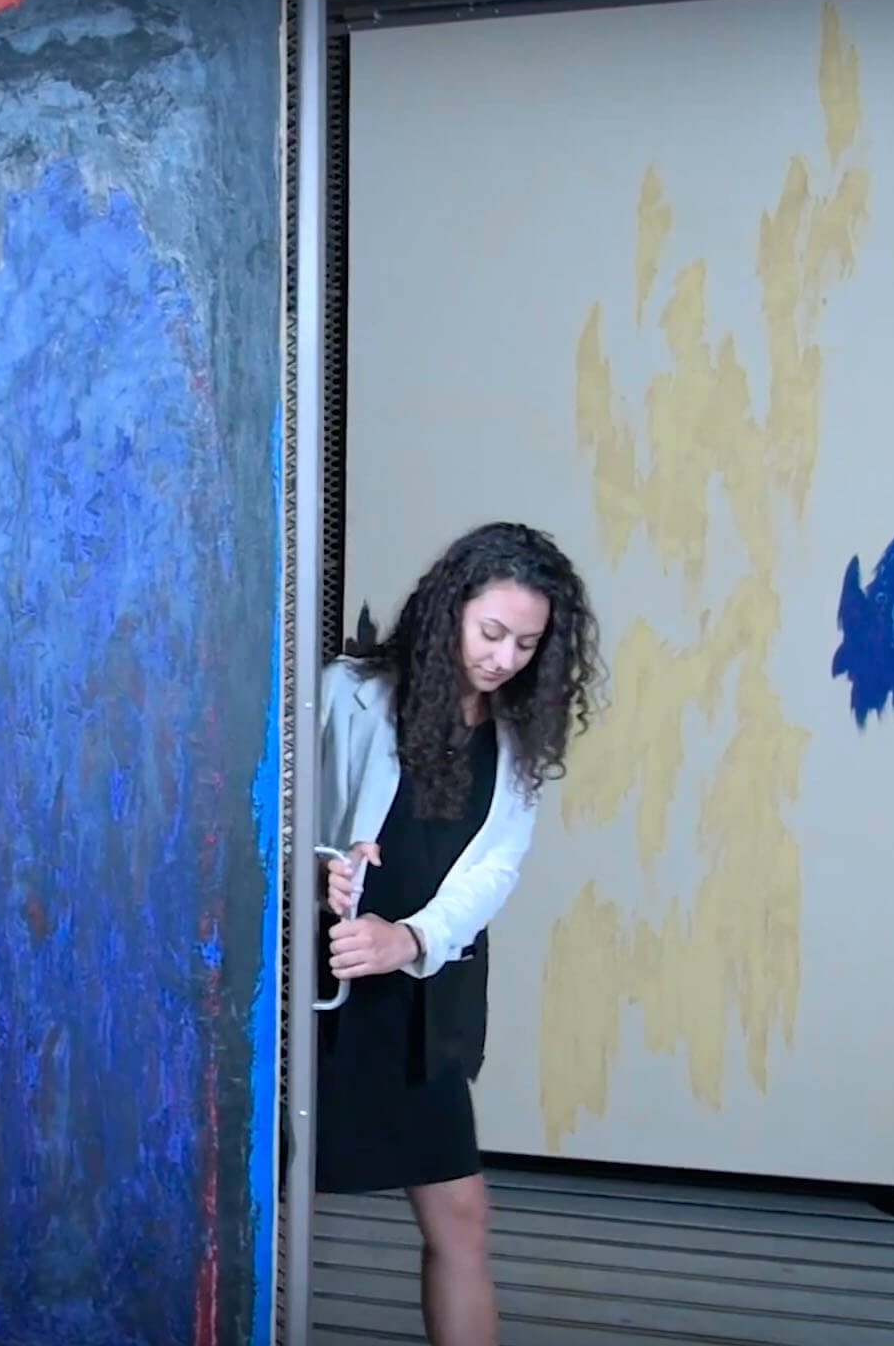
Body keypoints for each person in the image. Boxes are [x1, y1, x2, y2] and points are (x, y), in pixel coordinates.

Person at [313, 521, 601, 1346]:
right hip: (317, 997)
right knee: (268, 1213)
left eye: (526, 643)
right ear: (451, 611)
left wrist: (409, 940)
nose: (505, 657)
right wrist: (319, 869)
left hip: (418, 1004)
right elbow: (275, 815)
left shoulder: (519, 734)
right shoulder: (350, 691)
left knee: (462, 1218)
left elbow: (494, 871)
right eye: (492, 632)